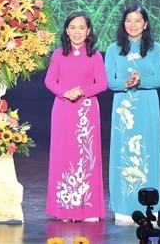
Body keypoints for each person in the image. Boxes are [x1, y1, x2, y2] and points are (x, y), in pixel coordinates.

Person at [44, 11, 108, 222]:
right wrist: (65, 93)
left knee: (86, 158)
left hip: (86, 111)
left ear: (88, 31)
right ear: (66, 30)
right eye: (73, 27)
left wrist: (81, 92)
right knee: (64, 156)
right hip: (63, 109)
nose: (77, 32)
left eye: (82, 27)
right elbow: (50, 81)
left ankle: (88, 209)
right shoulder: (58, 54)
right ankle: (65, 208)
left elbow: (102, 84)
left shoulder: (95, 56)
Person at [105, 5, 160, 224]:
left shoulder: (155, 49)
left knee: (147, 152)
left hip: (148, 107)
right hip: (123, 108)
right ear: (123, 24)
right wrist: (125, 83)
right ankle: (123, 208)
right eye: (129, 20)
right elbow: (108, 81)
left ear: (145, 24)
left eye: (138, 20)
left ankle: (149, 206)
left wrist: (141, 81)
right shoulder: (113, 49)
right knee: (123, 154)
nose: (133, 24)